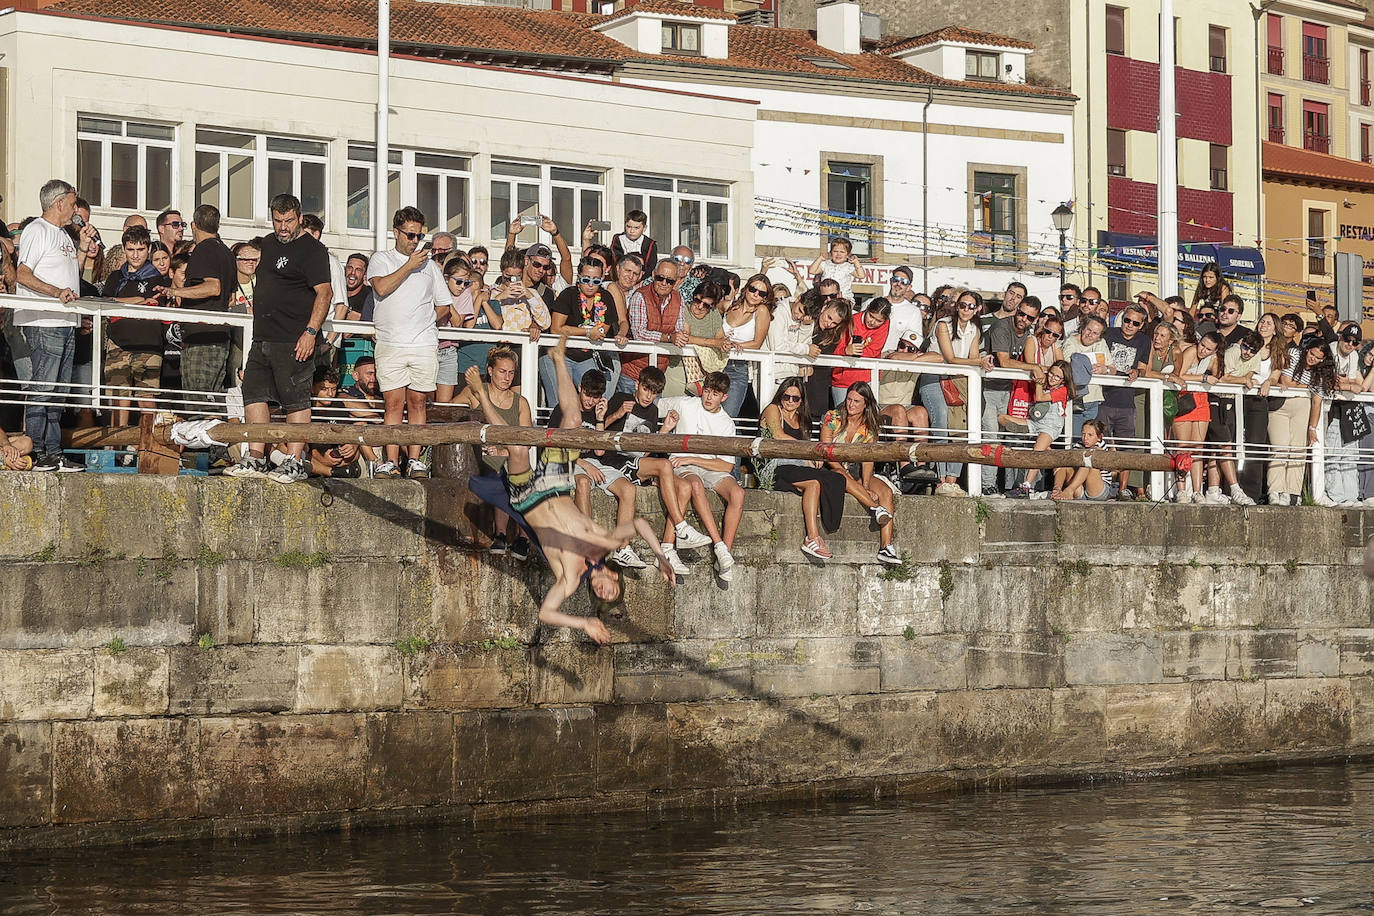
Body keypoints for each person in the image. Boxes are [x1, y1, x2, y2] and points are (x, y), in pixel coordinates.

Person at [463, 338, 674, 643]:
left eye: (601, 596)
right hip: (555, 485)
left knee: (517, 450)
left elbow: (546, 613)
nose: (603, 592)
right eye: (611, 591)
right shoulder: (604, 543)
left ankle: (482, 394)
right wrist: (660, 556)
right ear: (614, 576)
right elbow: (639, 523)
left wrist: (583, 624)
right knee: (573, 421)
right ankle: (559, 358)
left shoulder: (571, 578)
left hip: (530, 499)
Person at [224, 193, 332, 483]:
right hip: (262, 337)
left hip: (294, 338)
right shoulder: (268, 244)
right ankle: (256, 457)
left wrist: (310, 332)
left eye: (288, 221)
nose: (282, 227)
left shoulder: (313, 250)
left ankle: (295, 460)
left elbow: (325, 293)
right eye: (277, 220)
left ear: (299, 217)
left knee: (296, 401)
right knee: (254, 394)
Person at [365, 206, 453, 480]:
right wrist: (409, 265)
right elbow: (381, 288)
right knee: (392, 404)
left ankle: (414, 460)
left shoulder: (430, 267)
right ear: (397, 233)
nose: (415, 241)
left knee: (418, 403)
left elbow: (444, 305)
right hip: (390, 343)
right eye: (411, 235)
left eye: (419, 236)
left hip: (423, 344)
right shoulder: (382, 258)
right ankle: (390, 461)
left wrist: (425, 323)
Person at [12, 178, 93, 471]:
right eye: (73, 202)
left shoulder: (64, 235)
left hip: (66, 321)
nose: (76, 208)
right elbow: (22, 273)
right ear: (59, 203)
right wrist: (57, 293)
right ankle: (37, 449)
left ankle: (54, 451)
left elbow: (73, 275)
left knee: (59, 391)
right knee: (43, 389)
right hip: (44, 321)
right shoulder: (38, 230)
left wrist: (82, 247)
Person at [574, 367, 671, 571]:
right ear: (637, 385)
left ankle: (624, 548)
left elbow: (645, 450)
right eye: (646, 389)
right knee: (584, 482)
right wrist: (618, 413)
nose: (649, 395)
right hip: (606, 458)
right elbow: (598, 430)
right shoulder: (620, 398)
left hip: (627, 463)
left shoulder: (653, 411)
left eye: (654, 392)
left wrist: (664, 431)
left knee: (650, 476)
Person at [654, 371, 743, 581]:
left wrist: (693, 459)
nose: (709, 397)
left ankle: (724, 556)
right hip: (681, 465)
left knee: (738, 493)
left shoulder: (727, 423)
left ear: (725, 397)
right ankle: (719, 545)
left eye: (715, 394)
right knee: (694, 484)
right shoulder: (685, 403)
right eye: (707, 392)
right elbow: (652, 405)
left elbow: (726, 465)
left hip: (705, 466)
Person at [453, 345, 531, 557]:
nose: (507, 377)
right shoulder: (474, 393)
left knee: (518, 470)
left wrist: (504, 453)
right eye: (502, 371)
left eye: (511, 372)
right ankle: (501, 534)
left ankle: (523, 537)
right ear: (490, 370)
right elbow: (447, 411)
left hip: (511, 457)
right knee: (501, 472)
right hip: (481, 458)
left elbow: (526, 441)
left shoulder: (521, 402)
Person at [760, 378, 847, 560]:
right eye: (786, 396)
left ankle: (820, 532)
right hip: (775, 466)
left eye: (795, 398)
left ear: (801, 401)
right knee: (818, 481)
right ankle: (813, 537)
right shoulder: (773, 410)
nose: (790, 401)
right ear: (780, 395)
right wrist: (807, 451)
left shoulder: (802, 419)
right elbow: (777, 434)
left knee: (834, 479)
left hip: (795, 466)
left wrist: (808, 455)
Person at [918, 291, 992, 496]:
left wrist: (979, 361)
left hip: (957, 379)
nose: (966, 310)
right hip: (934, 376)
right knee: (941, 420)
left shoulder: (975, 328)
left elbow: (974, 355)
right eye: (962, 305)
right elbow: (950, 358)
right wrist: (980, 362)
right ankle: (941, 480)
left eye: (970, 306)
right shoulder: (943, 324)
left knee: (961, 425)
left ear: (977, 308)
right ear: (956, 306)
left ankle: (953, 479)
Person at [820, 382, 901, 565]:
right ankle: (874, 506)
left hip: (855, 469)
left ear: (866, 404)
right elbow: (826, 451)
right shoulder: (832, 417)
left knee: (885, 491)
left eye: (857, 401)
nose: (851, 404)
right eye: (849, 399)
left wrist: (865, 484)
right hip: (833, 467)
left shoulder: (870, 425)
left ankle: (886, 547)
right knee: (842, 475)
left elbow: (867, 458)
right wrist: (842, 470)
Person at [166, 204, 237, 407]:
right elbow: (230, 297)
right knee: (212, 402)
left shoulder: (203, 250)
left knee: (196, 402)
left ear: (194, 225)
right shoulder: (226, 251)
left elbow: (213, 287)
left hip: (201, 336)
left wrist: (176, 291)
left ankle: (198, 438)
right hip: (220, 336)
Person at [100, 225, 169, 426]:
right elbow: (106, 303)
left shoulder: (157, 276)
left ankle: (147, 449)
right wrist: (137, 299)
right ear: (124, 249)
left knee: (147, 399)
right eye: (131, 249)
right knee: (118, 400)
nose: (135, 255)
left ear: (148, 250)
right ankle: (117, 450)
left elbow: (154, 302)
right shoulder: (115, 277)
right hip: (117, 344)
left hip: (148, 346)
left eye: (140, 249)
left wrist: (123, 301)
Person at [542, 257, 626, 410]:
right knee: (559, 404)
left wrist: (574, 331)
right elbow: (556, 328)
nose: (590, 285)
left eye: (596, 281)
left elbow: (602, 331)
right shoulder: (568, 294)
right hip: (559, 354)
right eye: (586, 279)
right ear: (578, 278)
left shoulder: (606, 297)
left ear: (602, 279)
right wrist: (587, 331)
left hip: (586, 356)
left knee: (592, 399)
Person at [1262, 335, 1337, 506]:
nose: (1313, 359)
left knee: (1298, 450)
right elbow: (1285, 381)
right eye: (1312, 354)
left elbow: (1317, 402)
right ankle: (1275, 490)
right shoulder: (1294, 354)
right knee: (1279, 447)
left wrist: (1312, 428)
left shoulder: (1321, 372)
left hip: (1304, 406)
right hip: (1281, 404)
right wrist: (1308, 386)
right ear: (1307, 349)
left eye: (1318, 358)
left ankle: (1292, 492)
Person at [979, 296, 1041, 495]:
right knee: (990, 435)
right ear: (1016, 311)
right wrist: (1035, 367)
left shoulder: (1031, 334)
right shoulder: (1001, 327)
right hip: (986, 387)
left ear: (1035, 319)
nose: (1023, 319)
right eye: (1021, 313)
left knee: (1010, 436)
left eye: (1029, 317)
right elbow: (1004, 362)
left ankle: (1010, 485)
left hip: (1008, 389)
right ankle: (986, 484)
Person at [1099, 303, 1152, 497]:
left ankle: (1122, 489)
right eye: (1126, 320)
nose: (1129, 325)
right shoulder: (1109, 333)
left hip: (1127, 400)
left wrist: (1138, 372)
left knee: (1127, 448)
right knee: (1099, 445)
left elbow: (1144, 367)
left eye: (1135, 323)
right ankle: (1100, 488)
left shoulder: (1144, 340)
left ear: (1141, 325)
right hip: (1103, 397)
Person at [1008, 360, 1075, 498]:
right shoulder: (1048, 384)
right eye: (1051, 373)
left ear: (1064, 379)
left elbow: (1040, 397)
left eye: (1057, 376)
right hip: (1036, 422)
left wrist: (1039, 382)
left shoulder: (1063, 390)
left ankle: (1026, 486)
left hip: (1050, 426)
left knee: (1037, 453)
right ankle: (1051, 455)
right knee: (1003, 419)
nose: (1052, 377)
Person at [620, 260, 684, 396]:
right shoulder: (640, 295)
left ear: (676, 281)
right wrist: (668, 337)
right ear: (654, 275)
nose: (664, 283)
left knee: (650, 417)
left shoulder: (679, 299)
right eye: (660, 278)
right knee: (624, 415)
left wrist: (678, 337)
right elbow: (639, 334)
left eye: (670, 280)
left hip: (657, 375)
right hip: (633, 373)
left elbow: (678, 331)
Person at [1052, 419, 1116, 501]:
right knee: (1064, 464)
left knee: (1088, 460)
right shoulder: (1078, 445)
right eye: (1083, 434)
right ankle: (1057, 490)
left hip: (1097, 490)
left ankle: (1069, 490)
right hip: (1080, 488)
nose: (1085, 438)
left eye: (1090, 435)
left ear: (1099, 437)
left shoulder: (1100, 446)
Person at [808, 236, 860, 302]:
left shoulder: (848, 266)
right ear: (831, 252)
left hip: (843, 297)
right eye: (835, 251)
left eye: (842, 252)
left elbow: (860, 275)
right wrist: (820, 258)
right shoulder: (826, 264)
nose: (838, 254)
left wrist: (856, 262)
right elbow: (812, 271)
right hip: (826, 296)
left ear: (848, 254)